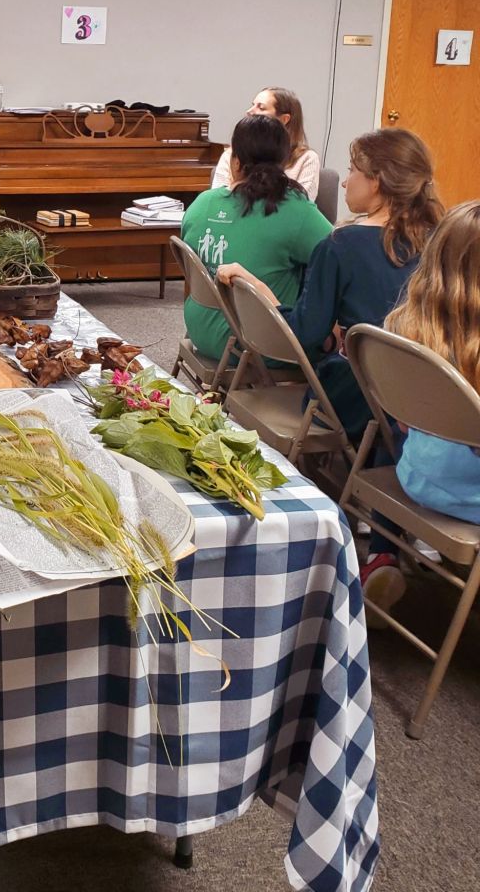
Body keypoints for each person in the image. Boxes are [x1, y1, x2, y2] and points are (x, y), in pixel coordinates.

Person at [217, 128, 444, 440]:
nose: (345, 182)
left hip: (361, 394)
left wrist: (261, 290)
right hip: (429, 394)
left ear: (376, 181)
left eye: (352, 170)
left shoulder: (341, 245)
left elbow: (302, 337)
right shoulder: (441, 241)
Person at [357, 201, 480, 613]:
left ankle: (380, 556)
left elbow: (404, 425)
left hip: (415, 475)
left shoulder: (403, 328)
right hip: (471, 500)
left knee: (393, 434)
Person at [181, 114, 332, 362]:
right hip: (256, 344)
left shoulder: (202, 203)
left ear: (236, 161)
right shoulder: (294, 209)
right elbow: (340, 255)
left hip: (200, 330)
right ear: (284, 161)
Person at [211, 87, 321, 200]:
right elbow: (218, 198)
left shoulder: (307, 159)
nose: (249, 111)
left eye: (261, 108)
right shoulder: (232, 153)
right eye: (253, 105)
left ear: (284, 119)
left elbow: (302, 203)